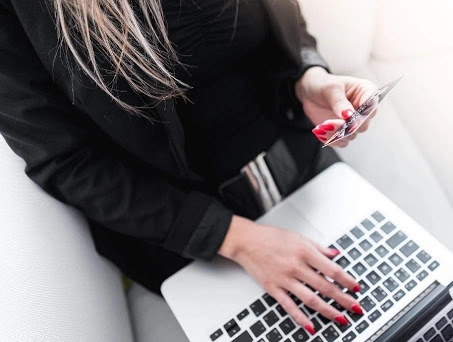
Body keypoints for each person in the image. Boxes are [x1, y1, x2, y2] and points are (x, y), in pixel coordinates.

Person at [0, 0, 378, 334]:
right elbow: (67, 162)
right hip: (184, 231)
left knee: (400, 303)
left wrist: (309, 80)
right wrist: (236, 239)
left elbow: (285, 22)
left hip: (302, 162)